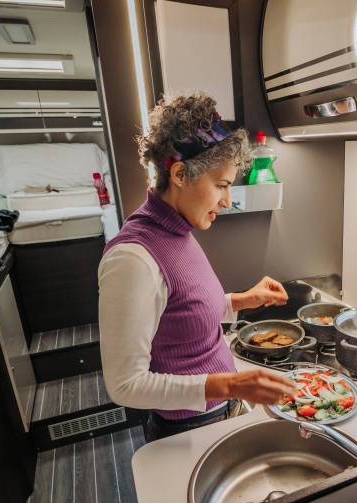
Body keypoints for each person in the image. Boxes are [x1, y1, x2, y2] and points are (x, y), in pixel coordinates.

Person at [98, 93, 297, 442]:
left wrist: (240, 301)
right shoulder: (132, 259)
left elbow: (183, 314)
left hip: (219, 410)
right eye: (221, 185)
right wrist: (232, 384)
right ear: (179, 174)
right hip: (186, 430)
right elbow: (126, 385)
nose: (226, 200)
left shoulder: (178, 229)